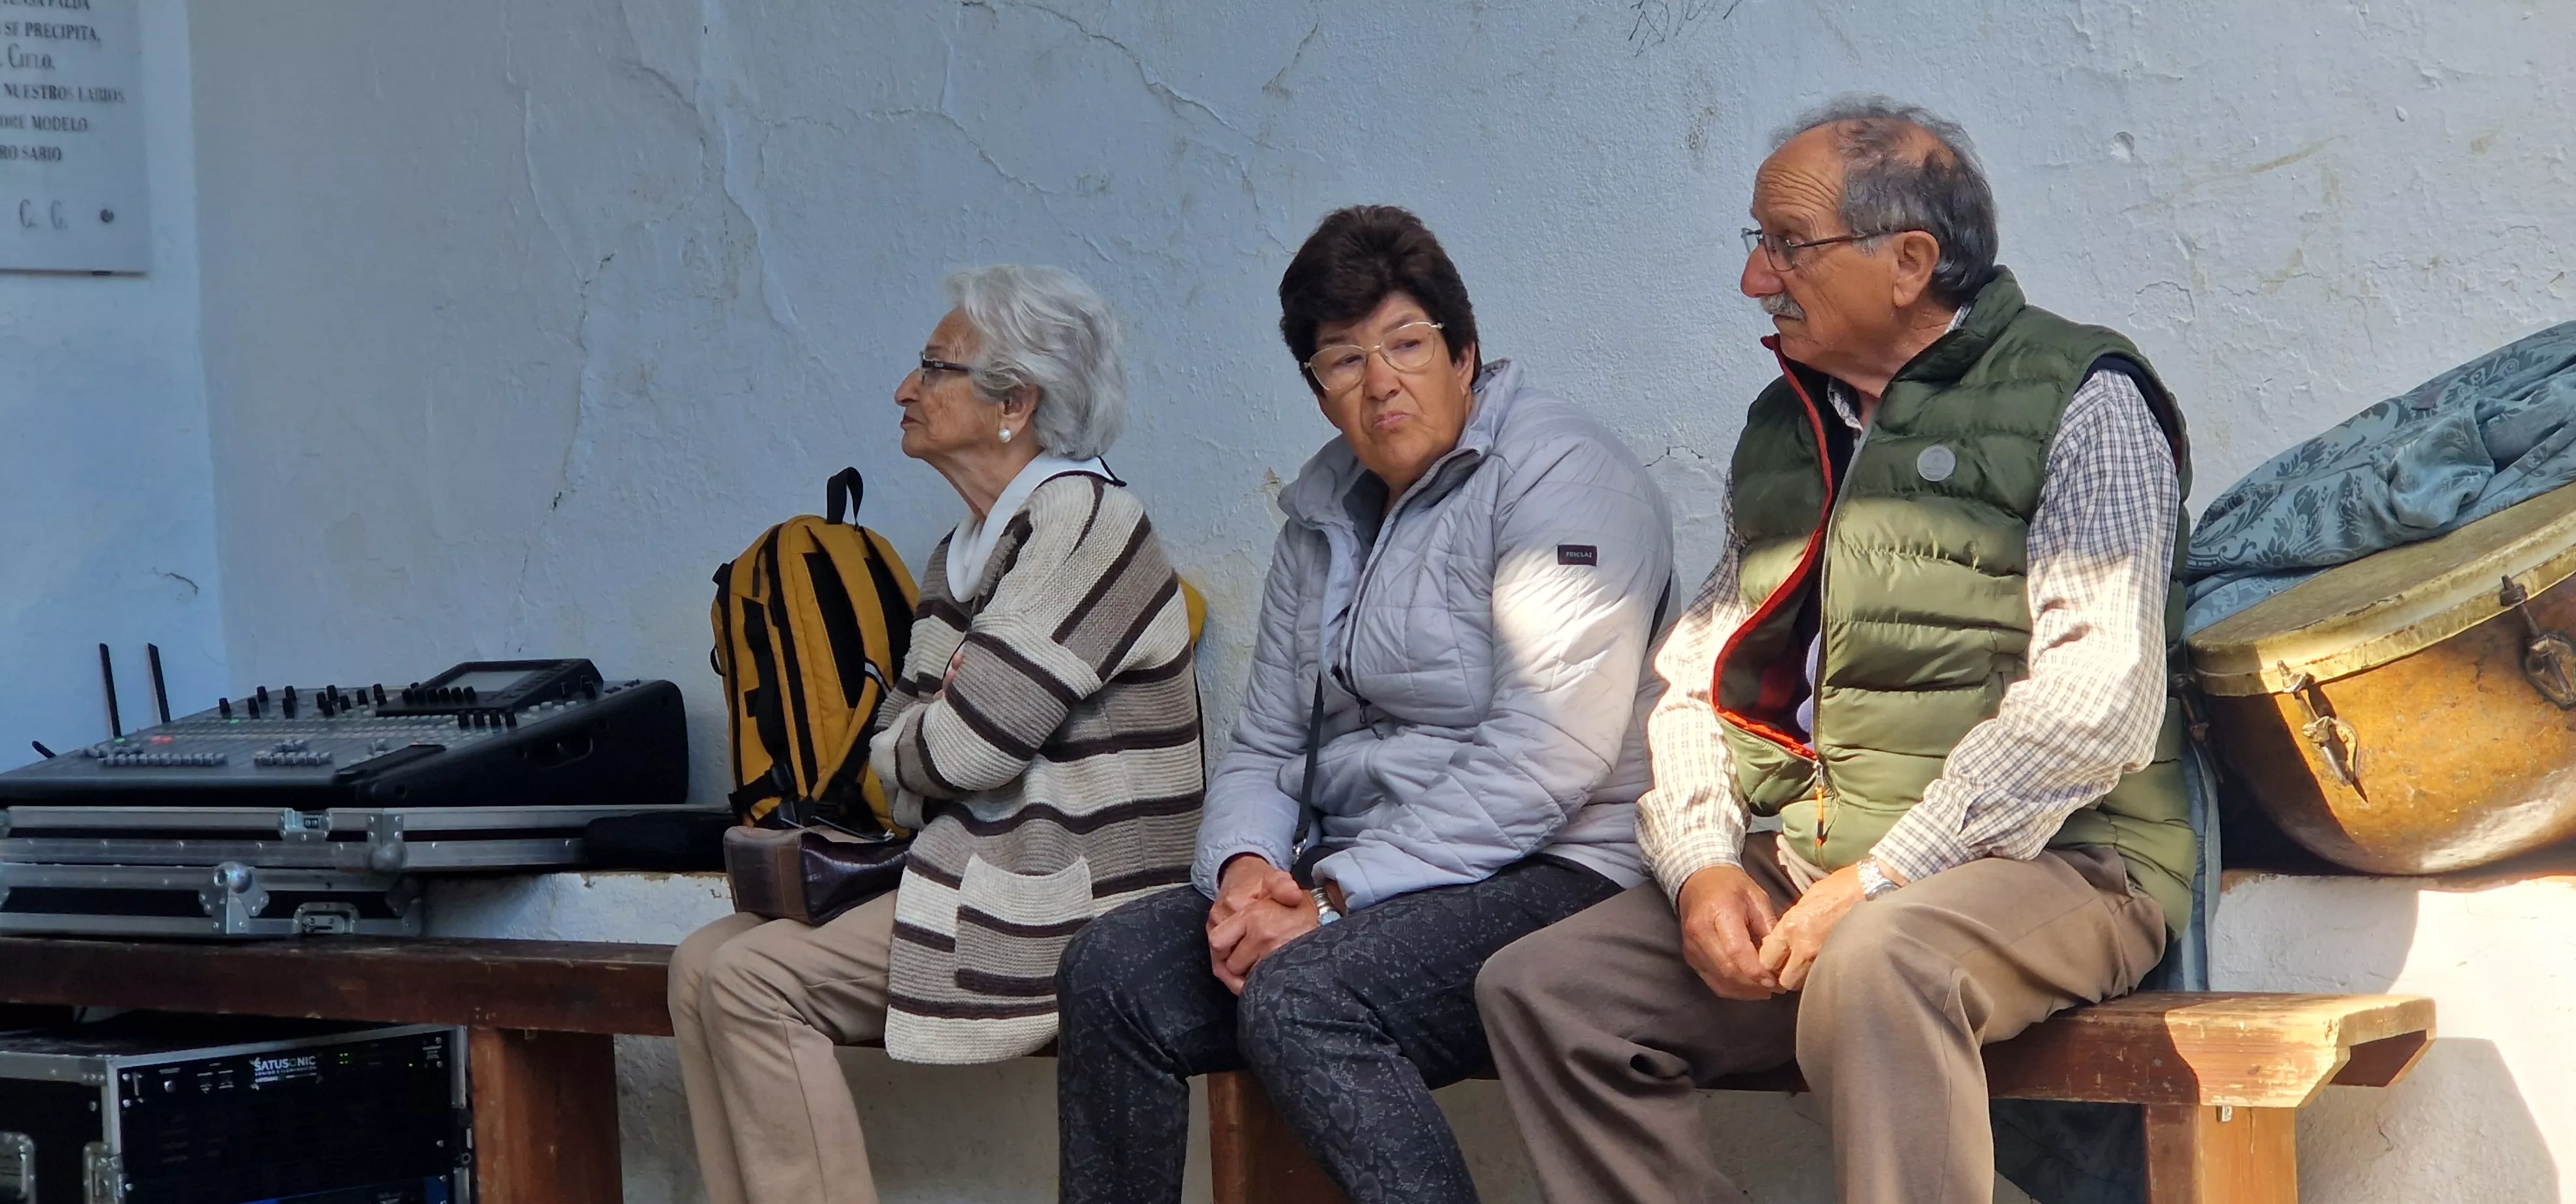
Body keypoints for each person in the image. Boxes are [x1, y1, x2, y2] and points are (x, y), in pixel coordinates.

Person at [1478, 96, 2196, 1204]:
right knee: (1548, 990)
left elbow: (2096, 698)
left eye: (1787, 245)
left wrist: (1886, 875)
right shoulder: (1785, 430)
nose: (1758, 280)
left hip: (2070, 861)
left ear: (1909, 261)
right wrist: (1704, 861)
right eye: (1758, 244)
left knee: (1879, 962)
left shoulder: (2084, 399)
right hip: (1826, 863)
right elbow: (1697, 673)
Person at [1054, 205, 1674, 1204]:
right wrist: (1250, 875)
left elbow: (1550, 754)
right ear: (1317, 389)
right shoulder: (1323, 513)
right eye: (1343, 361)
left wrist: (1337, 896)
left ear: (1465, 353)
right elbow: (1265, 743)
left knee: (1306, 996)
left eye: (1407, 345)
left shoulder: (1563, 477)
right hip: (1361, 876)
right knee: (1113, 969)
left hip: (1556, 867)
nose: (1381, 382)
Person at [668, 265, 1204, 1204]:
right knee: (697, 963)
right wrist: (929, 738)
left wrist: (928, 740)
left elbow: (961, 751)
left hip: (1069, 906)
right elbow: (900, 764)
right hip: (974, 876)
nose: (905, 390)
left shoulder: (1085, 520)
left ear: (1016, 403)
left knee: (753, 978)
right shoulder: (971, 545)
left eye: (934, 368)